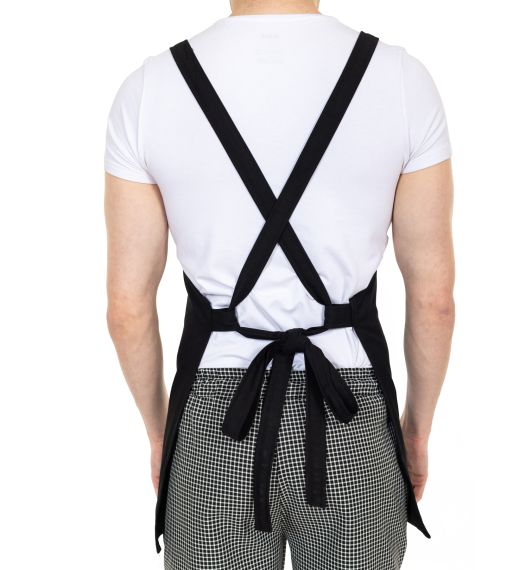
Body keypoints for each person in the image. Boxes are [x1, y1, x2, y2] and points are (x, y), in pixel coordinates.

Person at [104, 1, 455, 568]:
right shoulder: (401, 80)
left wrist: (162, 433)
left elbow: (127, 307)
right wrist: (414, 433)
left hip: (215, 420)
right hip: (351, 412)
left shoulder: (149, 89)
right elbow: (434, 300)